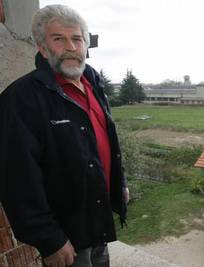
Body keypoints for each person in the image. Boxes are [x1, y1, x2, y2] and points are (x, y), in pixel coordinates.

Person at [0, 5, 129, 267]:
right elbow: (17, 179)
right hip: (65, 235)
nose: (71, 47)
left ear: (85, 46)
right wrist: (49, 239)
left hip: (97, 222)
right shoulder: (21, 99)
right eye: (59, 39)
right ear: (42, 47)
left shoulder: (94, 84)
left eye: (77, 39)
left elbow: (105, 142)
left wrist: (119, 181)